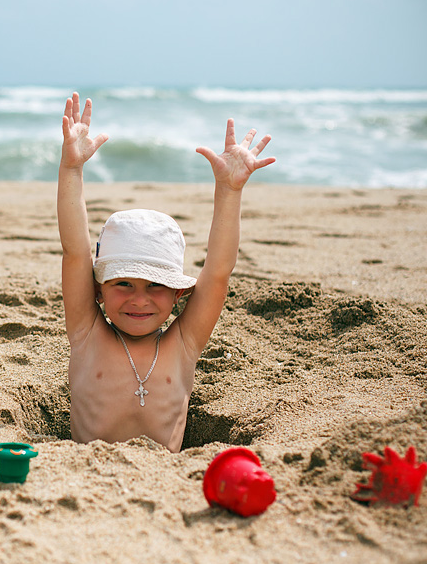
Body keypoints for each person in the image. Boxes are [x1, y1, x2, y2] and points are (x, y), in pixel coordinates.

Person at [57, 92, 275, 453]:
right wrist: (71, 170)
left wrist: (229, 191)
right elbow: (76, 252)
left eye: (155, 286)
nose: (138, 299)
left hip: (166, 485)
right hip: (85, 473)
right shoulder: (87, 333)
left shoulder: (183, 344)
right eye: (123, 283)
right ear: (98, 290)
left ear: (178, 294)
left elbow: (218, 272)